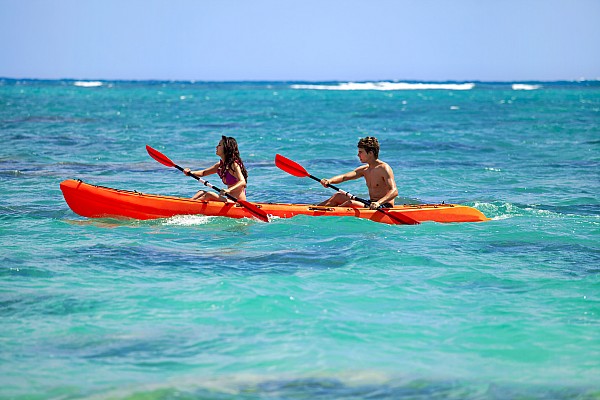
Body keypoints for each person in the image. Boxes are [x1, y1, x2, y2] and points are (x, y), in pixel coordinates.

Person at [319, 136, 398, 209]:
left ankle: (331, 211)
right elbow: (344, 177)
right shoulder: (365, 169)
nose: (358, 155)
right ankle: (315, 208)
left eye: (361, 152)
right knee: (338, 196)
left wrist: (378, 203)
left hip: (384, 205)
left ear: (370, 153)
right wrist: (329, 181)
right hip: (370, 203)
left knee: (351, 203)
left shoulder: (384, 168)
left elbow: (394, 191)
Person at [183, 136, 248, 202]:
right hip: (229, 200)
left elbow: (243, 182)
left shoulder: (233, 164)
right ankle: (187, 204)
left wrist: (228, 190)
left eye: (219, 145)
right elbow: (203, 173)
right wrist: (190, 172)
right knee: (201, 192)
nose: (216, 147)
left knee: (209, 194)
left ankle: (188, 207)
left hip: (238, 202)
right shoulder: (220, 165)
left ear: (226, 148)